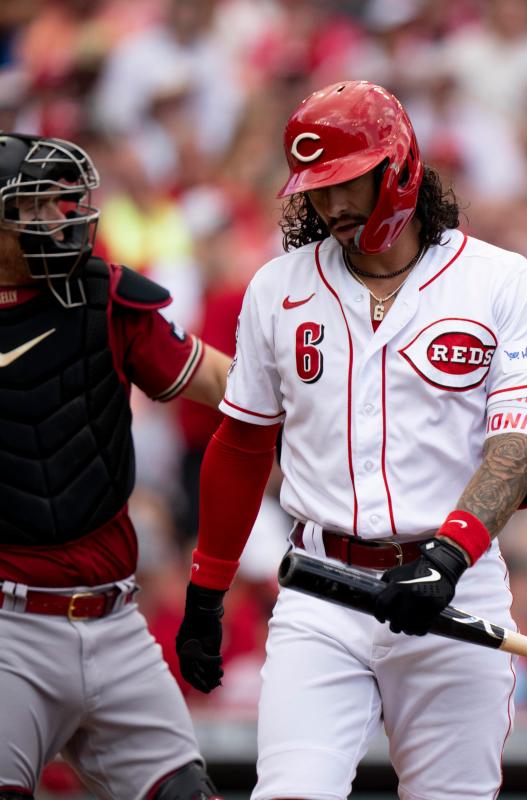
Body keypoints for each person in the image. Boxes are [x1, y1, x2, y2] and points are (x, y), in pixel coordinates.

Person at [176, 81, 527, 799]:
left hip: (457, 588)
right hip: (324, 587)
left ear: (399, 168)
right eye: (316, 190)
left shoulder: (500, 280)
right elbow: (242, 443)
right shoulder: (277, 288)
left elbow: (518, 446)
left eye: (346, 183)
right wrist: (208, 588)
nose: (331, 207)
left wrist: (449, 557)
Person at [0, 132, 230, 799]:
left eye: (61, 204)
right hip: (9, 627)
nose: (59, 221)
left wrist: (330, 410)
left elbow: (223, 382)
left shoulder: (106, 296)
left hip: (116, 620)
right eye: (34, 208)